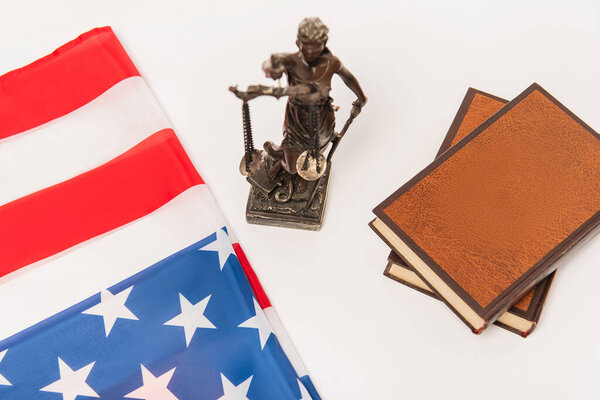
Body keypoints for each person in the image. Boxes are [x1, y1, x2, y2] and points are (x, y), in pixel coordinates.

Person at [261, 17, 367, 188]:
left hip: (321, 118)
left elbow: (349, 78)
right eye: (306, 50)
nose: (310, 55)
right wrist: (272, 67)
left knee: (315, 151)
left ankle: (288, 160)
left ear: (324, 42)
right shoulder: (289, 60)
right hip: (296, 119)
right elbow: (269, 66)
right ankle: (283, 161)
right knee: (292, 167)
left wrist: (361, 98)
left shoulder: (332, 63)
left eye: (315, 50)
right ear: (298, 43)